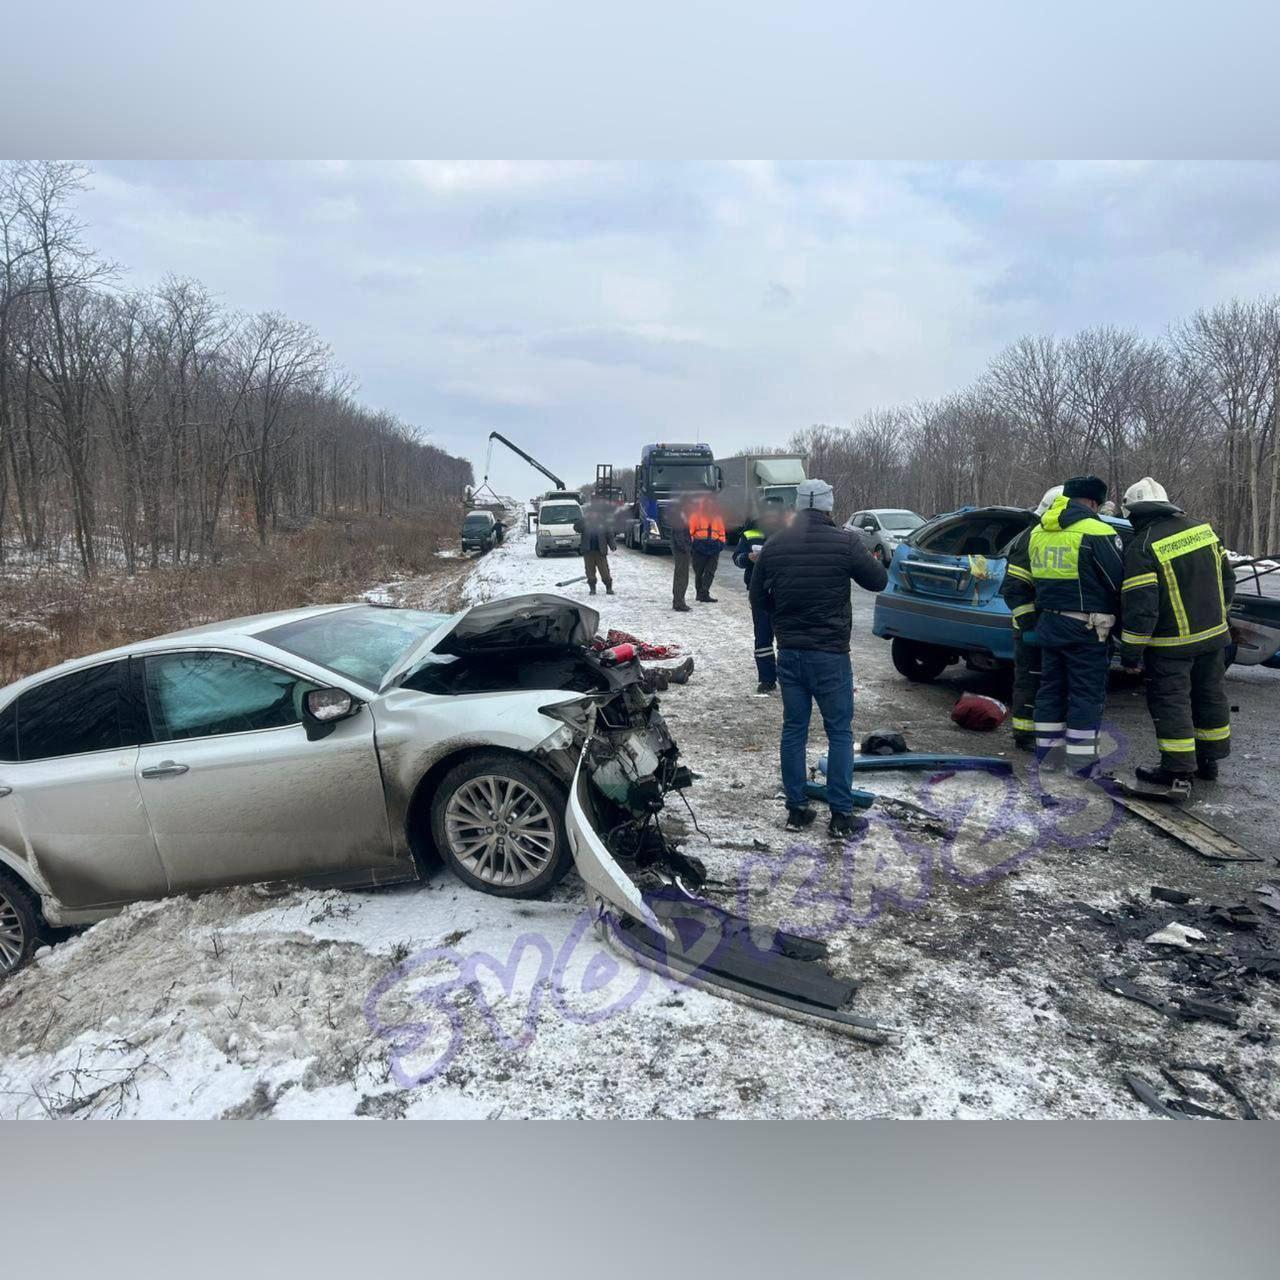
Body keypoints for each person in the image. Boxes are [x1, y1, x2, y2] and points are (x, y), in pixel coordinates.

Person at [749, 478, 887, 837]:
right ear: (828, 507)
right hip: (829, 655)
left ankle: (796, 810)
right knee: (839, 732)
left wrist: (780, 618)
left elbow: (757, 597)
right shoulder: (846, 542)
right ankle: (841, 817)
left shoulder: (776, 545)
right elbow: (878, 581)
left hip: (790, 652)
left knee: (793, 730)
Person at [1117, 477, 1235, 791]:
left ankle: (1177, 769)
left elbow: (1142, 608)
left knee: (1172, 703)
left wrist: (1131, 652)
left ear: (1136, 514)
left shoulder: (1142, 546)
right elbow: (1227, 581)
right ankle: (1209, 762)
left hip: (1171, 646)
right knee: (1209, 696)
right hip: (1214, 638)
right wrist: (1219, 618)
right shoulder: (1203, 529)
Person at [1003, 475, 1124, 774]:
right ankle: (1082, 763)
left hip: (1049, 626)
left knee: (1050, 691)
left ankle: (1048, 757)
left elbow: (1022, 583)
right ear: (1094, 502)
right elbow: (1116, 582)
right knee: (1085, 694)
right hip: (1086, 630)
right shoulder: (1098, 531)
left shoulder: (1039, 533)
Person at [999, 485, 1063, 751]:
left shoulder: (1041, 536)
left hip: (1048, 625)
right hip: (1033, 626)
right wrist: (1029, 624)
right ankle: (1025, 733)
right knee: (1031, 679)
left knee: (1041, 680)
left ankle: (1033, 732)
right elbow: (1014, 587)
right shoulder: (1031, 538)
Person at [732, 506, 787, 693]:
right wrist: (748, 557)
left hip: (784, 591)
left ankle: (788, 677)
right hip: (759, 591)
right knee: (762, 637)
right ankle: (767, 678)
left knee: (786, 636)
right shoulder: (749, 534)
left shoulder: (788, 533)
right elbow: (737, 559)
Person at [688, 493, 727, 602]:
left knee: (710, 571)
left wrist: (721, 543)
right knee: (699, 571)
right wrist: (693, 544)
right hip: (699, 546)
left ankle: (704, 592)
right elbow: (690, 532)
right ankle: (700, 593)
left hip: (714, 546)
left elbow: (722, 532)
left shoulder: (717, 517)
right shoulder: (695, 516)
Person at [573, 498, 616, 596]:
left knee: (605, 572)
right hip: (588, 551)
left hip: (600, 551)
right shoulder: (584, 522)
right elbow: (576, 528)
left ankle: (609, 588)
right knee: (590, 572)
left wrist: (612, 545)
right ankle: (592, 589)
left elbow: (609, 535)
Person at [670, 496, 694, 612]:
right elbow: (679, 535)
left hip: (682, 549)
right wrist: (686, 548)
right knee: (681, 576)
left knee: (682, 575)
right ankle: (679, 602)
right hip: (681, 551)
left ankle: (679, 600)